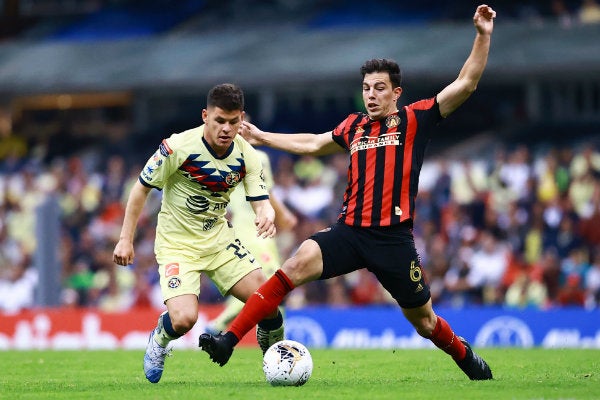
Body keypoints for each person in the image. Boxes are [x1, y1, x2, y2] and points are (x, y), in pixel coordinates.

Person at [199, 5, 496, 381]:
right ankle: (228, 340)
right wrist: (261, 137)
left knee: (424, 322)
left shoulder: (416, 119)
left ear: (396, 92)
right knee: (291, 266)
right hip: (350, 232)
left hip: (392, 240)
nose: (370, 95)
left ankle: (465, 356)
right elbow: (312, 144)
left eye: (379, 88)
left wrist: (483, 35)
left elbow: (465, 84)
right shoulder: (353, 127)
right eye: (366, 88)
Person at [112, 83, 285, 383]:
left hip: (219, 240)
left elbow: (261, 200)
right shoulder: (177, 147)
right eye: (219, 120)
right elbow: (140, 189)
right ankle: (160, 339)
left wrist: (266, 214)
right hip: (177, 245)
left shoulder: (248, 155)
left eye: (233, 122)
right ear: (205, 116)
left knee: (267, 299)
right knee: (184, 320)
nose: (226, 129)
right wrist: (126, 238)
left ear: (242, 120)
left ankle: (278, 362)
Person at [205, 143, 298, 334]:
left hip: (242, 231)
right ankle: (218, 325)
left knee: (264, 286)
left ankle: (278, 339)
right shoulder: (258, 156)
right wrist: (285, 215)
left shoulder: (222, 159)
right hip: (256, 232)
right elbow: (266, 194)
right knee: (272, 284)